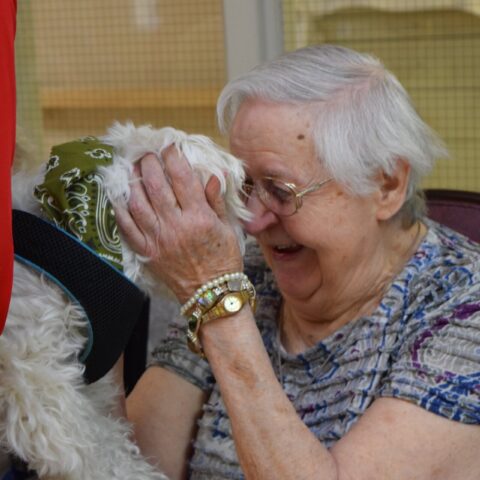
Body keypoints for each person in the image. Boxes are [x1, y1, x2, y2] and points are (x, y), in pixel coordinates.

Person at [115, 45, 480, 479]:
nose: (252, 220)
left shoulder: (464, 310)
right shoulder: (249, 273)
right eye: (245, 185)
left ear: (386, 185)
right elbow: (131, 461)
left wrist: (216, 300)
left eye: (281, 190)